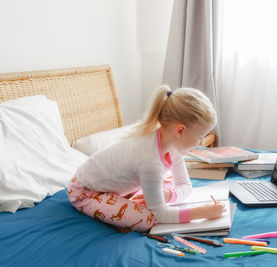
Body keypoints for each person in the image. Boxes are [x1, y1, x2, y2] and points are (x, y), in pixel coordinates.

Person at [67, 85, 225, 232]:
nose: (202, 143)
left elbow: (185, 186)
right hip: (85, 192)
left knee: (166, 183)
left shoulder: (171, 147)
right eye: (201, 136)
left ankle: (145, 197)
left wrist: (168, 195)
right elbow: (160, 215)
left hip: (118, 182)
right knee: (147, 219)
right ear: (180, 130)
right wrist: (202, 213)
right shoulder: (150, 161)